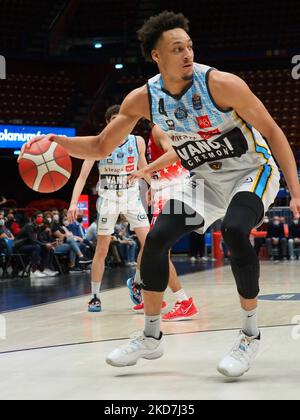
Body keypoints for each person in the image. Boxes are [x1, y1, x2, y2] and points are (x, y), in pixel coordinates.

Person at [20, 11, 300, 378]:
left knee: (234, 230)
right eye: (176, 48)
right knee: (155, 239)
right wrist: (58, 141)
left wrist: (295, 192)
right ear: (156, 56)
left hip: (252, 172)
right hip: (203, 180)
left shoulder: (222, 84)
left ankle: (249, 334)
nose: (187, 54)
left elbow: (275, 132)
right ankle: (151, 336)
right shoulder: (144, 98)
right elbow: (103, 145)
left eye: (189, 46)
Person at [67, 105, 151, 313]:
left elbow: (146, 169)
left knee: (150, 243)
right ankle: (95, 296)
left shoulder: (137, 141)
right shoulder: (98, 144)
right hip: (108, 198)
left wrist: (157, 187)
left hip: (132, 196)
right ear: (108, 123)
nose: (118, 122)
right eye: (114, 119)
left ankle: (136, 283)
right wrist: (73, 203)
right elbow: (82, 177)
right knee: (102, 248)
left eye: (121, 118)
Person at [131, 124, 198, 321]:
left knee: (157, 249)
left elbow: (174, 153)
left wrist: (147, 170)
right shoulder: (160, 130)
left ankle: (183, 301)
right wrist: (153, 184)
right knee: (154, 248)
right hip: (168, 187)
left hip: (172, 188)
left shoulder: (158, 129)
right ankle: (156, 296)